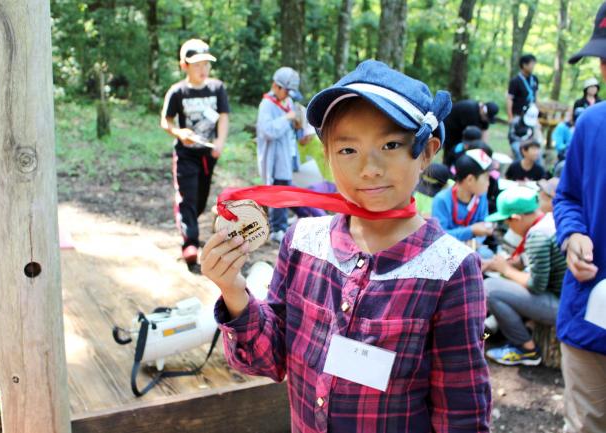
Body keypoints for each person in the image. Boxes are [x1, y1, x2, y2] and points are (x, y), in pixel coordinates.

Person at [201, 60, 491, 432]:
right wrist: (233, 292)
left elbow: (462, 413)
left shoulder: (449, 270)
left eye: (390, 144)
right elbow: (268, 360)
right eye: (347, 150)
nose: (369, 168)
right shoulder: (303, 243)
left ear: (427, 151)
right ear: (327, 155)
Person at [555, 4, 606, 431]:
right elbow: (568, 195)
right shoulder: (592, 123)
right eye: (605, 61)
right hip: (591, 314)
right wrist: (573, 234)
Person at [160, 39, 230, 266]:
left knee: (200, 199)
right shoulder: (177, 92)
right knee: (188, 198)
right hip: (186, 154)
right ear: (185, 66)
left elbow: (224, 117)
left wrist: (220, 141)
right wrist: (180, 133)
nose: (203, 69)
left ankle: (190, 225)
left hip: (208, 155)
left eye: (206, 65)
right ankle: (190, 243)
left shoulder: (217, 88)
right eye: (197, 65)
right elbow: (165, 121)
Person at [483, 186, 566, 366]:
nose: (508, 227)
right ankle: (495, 331)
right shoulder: (548, 220)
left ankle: (526, 350)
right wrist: (502, 265)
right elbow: (534, 259)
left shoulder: (537, 235)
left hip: (565, 308)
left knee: (489, 289)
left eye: (507, 222)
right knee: (503, 287)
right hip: (568, 299)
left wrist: (506, 270)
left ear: (516, 218)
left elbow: (536, 285)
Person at [256, 67, 303, 243]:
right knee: (278, 190)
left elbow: (292, 124)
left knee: (286, 189)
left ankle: (281, 224)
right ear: (276, 86)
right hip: (274, 157)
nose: (288, 95)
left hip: (288, 153)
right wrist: (287, 118)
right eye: (286, 91)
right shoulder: (266, 105)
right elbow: (267, 130)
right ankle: (277, 228)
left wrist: (297, 123)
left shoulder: (288, 102)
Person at [432, 149, 494, 248]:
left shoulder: (481, 196)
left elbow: (484, 224)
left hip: (473, 248)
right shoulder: (442, 200)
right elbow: (439, 236)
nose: (488, 183)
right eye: (486, 178)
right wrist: (472, 230)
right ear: (470, 180)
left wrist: (477, 240)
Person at [442, 99, 499, 166]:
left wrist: (485, 151)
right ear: (482, 109)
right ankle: (446, 167)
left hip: (462, 129)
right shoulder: (470, 111)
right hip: (451, 130)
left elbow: (484, 132)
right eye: (486, 117)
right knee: (452, 151)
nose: (486, 120)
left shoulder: (485, 116)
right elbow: (473, 139)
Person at [507, 54, 539, 122]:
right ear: (524, 65)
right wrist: (510, 116)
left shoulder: (534, 79)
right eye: (532, 64)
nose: (533, 67)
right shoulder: (515, 81)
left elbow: (536, 96)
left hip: (531, 114)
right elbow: (509, 99)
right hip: (518, 114)